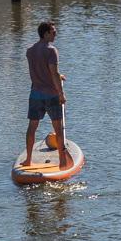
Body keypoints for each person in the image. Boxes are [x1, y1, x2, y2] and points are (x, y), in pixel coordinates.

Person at [24, 21, 69, 168]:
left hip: (35, 93)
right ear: (45, 34)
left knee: (32, 126)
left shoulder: (29, 51)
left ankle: (28, 159)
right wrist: (61, 94)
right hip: (51, 94)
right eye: (53, 32)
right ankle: (62, 161)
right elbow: (53, 73)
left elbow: (40, 70)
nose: (55, 34)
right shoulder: (51, 50)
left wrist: (58, 75)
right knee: (58, 127)